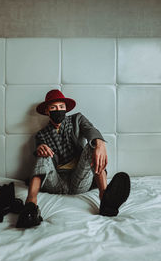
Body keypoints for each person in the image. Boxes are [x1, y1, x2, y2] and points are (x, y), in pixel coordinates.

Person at [16, 89, 130, 228]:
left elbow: (90, 130)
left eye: (61, 107)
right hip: (55, 182)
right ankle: (31, 205)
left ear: (66, 108)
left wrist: (100, 143)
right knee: (43, 153)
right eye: (54, 108)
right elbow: (42, 162)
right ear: (47, 111)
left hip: (79, 180)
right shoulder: (41, 135)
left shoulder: (77, 119)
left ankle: (104, 198)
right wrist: (40, 148)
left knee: (92, 145)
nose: (59, 110)